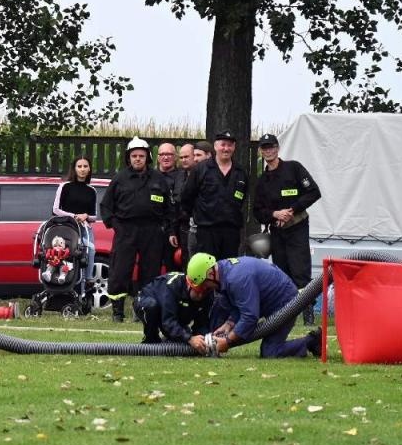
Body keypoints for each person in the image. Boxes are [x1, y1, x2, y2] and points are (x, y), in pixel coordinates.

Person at [184, 252, 318, 358]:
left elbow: (250, 317)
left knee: (270, 352)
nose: (204, 289)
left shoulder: (236, 279)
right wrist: (229, 324)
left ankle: (312, 341)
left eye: (203, 284)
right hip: (269, 301)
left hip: (285, 302)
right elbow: (240, 305)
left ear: (210, 274)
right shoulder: (224, 275)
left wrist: (227, 342)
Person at [100, 136, 174, 323]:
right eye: (134, 156)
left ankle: (143, 310)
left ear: (147, 157)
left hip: (152, 231)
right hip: (126, 230)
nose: (138, 159)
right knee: (120, 270)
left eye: (141, 155)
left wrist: (166, 227)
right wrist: (115, 225)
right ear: (129, 158)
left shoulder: (158, 179)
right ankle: (117, 312)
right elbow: (106, 206)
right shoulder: (120, 179)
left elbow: (169, 208)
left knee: (150, 271)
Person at [252, 132, 322, 321]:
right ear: (261, 152)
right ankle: (284, 315)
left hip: (297, 227)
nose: (269, 151)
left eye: (271, 147)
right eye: (265, 148)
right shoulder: (262, 181)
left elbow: (314, 192)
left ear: (278, 148)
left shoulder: (294, 168)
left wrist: (291, 210)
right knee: (281, 273)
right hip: (277, 231)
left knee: (301, 272)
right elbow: (257, 211)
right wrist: (274, 214)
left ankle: (308, 312)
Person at [181, 130, 247, 259]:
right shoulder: (200, 169)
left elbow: (243, 198)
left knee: (229, 270)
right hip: (207, 231)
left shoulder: (240, 172)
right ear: (216, 146)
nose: (226, 148)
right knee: (208, 271)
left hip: (231, 232)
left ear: (234, 147)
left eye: (230, 145)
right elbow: (187, 197)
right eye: (223, 144)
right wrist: (197, 216)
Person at [51, 156, 98, 301]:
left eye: (85, 166)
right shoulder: (65, 186)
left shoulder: (92, 190)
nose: (82, 169)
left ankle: (87, 285)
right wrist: (74, 215)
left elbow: (94, 216)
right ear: (74, 168)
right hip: (66, 227)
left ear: (89, 169)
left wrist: (85, 216)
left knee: (90, 250)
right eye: (79, 166)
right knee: (68, 255)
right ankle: (61, 290)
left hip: (84, 228)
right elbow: (56, 209)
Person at [132, 269, 214, 345]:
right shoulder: (172, 288)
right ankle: (150, 339)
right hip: (146, 300)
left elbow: (202, 323)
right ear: (189, 286)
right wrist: (189, 338)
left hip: (171, 309)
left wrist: (205, 340)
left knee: (179, 338)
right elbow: (168, 322)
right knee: (151, 307)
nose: (201, 296)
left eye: (204, 293)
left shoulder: (207, 294)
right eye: (198, 292)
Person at [157, 142, 185, 272]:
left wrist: (172, 231)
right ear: (158, 158)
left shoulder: (182, 176)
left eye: (169, 154)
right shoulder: (151, 176)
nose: (165, 157)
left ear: (175, 157)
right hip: (154, 231)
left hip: (175, 232)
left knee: (173, 269)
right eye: (162, 154)